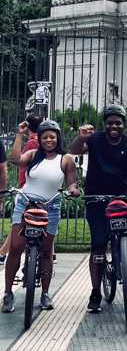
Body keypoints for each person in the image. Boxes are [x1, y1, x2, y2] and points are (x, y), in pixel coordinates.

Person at [70, 105, 127, 313]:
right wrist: (82, 137)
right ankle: (95, 292)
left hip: (123, 194)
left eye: (118, 122)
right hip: (96, 197)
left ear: (123, 125)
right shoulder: (95, 140)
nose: (114, 126)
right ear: (105, 124)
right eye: (110, 122)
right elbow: (75, 149)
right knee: (98, 247)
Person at [3, 121, 79, 313]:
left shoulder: (66, 159)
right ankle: (8, 293)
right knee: (16, 247)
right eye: (45, 136)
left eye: (52, 136)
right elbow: (14, 160)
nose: (48, 140)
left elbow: (71, 183)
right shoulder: (32, 155)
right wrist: (19, 135)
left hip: (50, 206)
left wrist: (73, 191)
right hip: (26, 203)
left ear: (58, 138)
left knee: (46, 251)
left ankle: (45, 294)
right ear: (40, 138)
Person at [0, 115, 40, 264]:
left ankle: (3, 252)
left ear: (27, 126)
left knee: (18, 221)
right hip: (39, 188)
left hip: (27, 187)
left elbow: (21, 164)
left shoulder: (31, 143)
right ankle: (52, 253)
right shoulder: (41, 141)